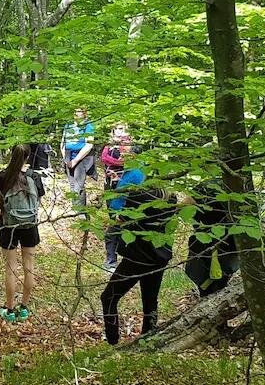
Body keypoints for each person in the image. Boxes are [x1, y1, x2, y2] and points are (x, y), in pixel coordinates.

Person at [99, 163, 183, 345]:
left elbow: (121, 219)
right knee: (150, 300)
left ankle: (113, 341)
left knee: (108, 297)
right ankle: (149, 337)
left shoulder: (138, 194)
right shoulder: (170, 197)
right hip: (159, 256)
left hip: (137, 256)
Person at [0, 145, 44, 322]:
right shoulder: (35, 176)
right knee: (29, 266)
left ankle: (10, 310)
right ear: (27, 157)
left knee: (10, 268)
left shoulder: (2, 176)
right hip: (30, 225)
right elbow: (38, 200)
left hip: (8, 226)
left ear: (10, 154)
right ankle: (24, 307)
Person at [184, 177, 241, 296]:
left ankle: (211, 300)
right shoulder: (240, 186)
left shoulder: (205, 187)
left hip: (209, 242)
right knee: (221, 276)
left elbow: (185, 206)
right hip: (232, 243)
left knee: (208, 277)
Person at [101, 127, 133, 270]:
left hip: (126, 196)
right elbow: (104, 158)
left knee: (116, 226)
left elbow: (124, 164)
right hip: (111, 186)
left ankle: (115, 260)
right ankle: (112, 261)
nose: (123, 149)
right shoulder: (109, 145)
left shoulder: (135, 159)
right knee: (113, 220)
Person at [61, 107, 96, 212]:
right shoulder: (69, 125)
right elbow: (63, 141)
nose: (76, 113)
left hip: (81, 158)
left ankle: (80, 211)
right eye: (75, 111)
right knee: (71, 183)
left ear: (84, 113)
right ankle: (74, 208)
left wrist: (75, 160)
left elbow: (89, 145)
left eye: (79, 111)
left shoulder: (88, 126)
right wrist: (64, 157)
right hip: (68, 155)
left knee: (78, 185)